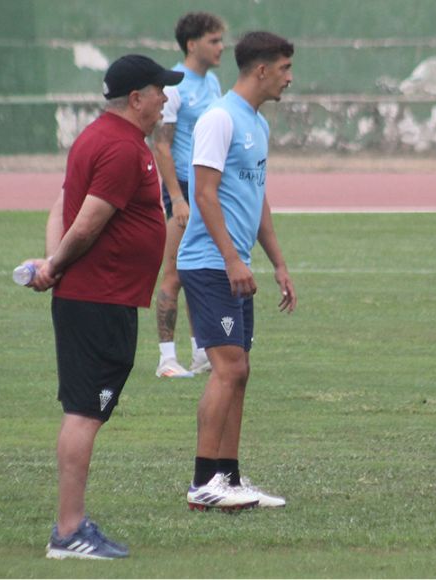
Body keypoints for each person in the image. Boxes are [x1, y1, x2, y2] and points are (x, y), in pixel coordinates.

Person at [24, 54, 183, 559]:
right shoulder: (119, 147)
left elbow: (61, 202)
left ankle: (72, 527)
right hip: (100, 299)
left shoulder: (97, 137)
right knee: (84, 413)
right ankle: (68, 531)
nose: (165, 99)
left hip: (98, 297)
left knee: (85, 410)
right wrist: (58, 265)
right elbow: (88, 220)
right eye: (160, 90)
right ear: (136, 98)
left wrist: (53, 262)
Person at [177, 31, 297, 511]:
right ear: (263, 70)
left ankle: (229, 478)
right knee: (228, 368)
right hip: (210, 264)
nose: (290, 79)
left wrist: (279, 262)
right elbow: (203, 194)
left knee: (240, 371)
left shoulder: (257, 124)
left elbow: (257, 195)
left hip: (235, 266)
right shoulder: (219, 119)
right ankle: (203, 482)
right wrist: (230, 258)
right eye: (286, 69)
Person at [152, 12, 225, 379]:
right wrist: (177, 198)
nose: (221, 47)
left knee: (198, 271)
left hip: (203, 191)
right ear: (193, 44)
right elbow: (161, 146)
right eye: (214, 40)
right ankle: (167, 359)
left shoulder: (212, 84)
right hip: (182, 193)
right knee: (174, 273)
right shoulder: (175, 87)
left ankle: (200, 352)